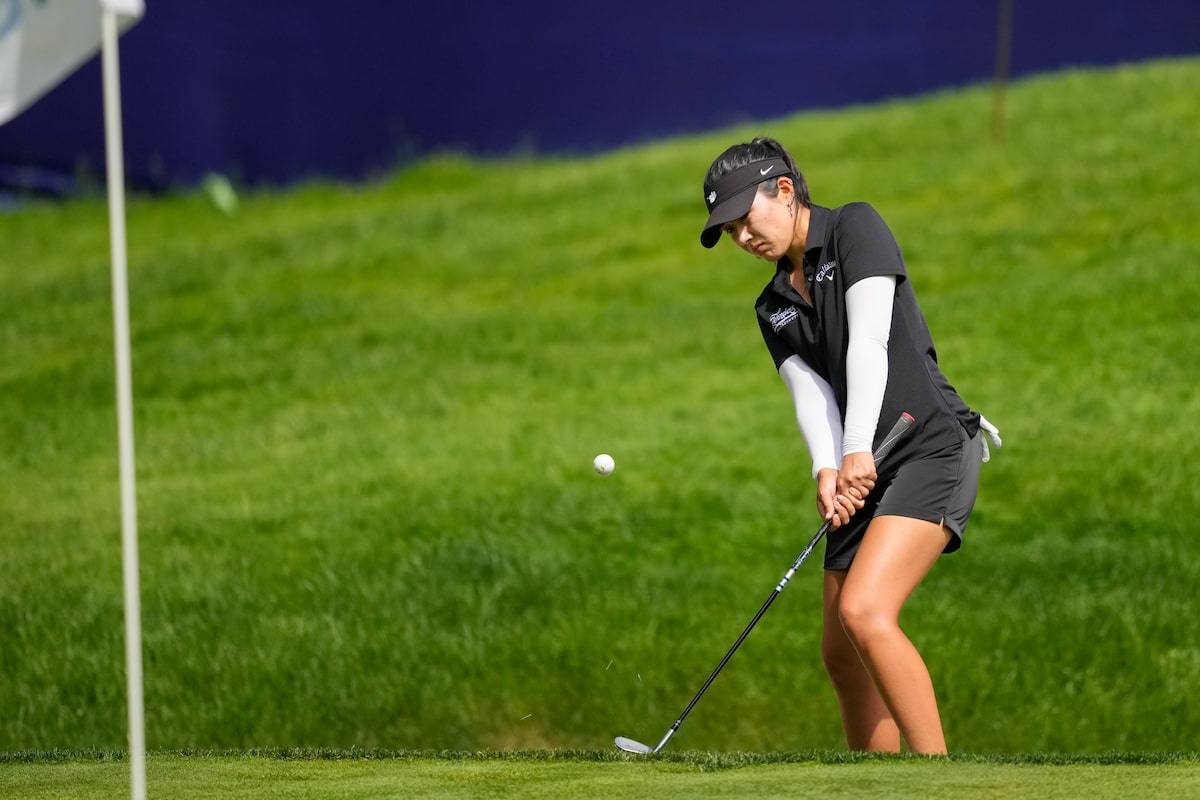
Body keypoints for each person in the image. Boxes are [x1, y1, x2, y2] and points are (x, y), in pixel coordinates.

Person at [699, 136, 1000, 755]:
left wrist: (858, 448)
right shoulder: (772, 304)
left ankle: (937, 781)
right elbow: (812, 397)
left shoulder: (855, 228)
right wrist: (827, 469)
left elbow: (870, 343)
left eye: (743, 221)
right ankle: (875, 781)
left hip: (929, 445)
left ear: (783, 191)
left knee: (864, 611)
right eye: (728, 233)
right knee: (841, 651)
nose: (742, 240)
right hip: (866, 462)